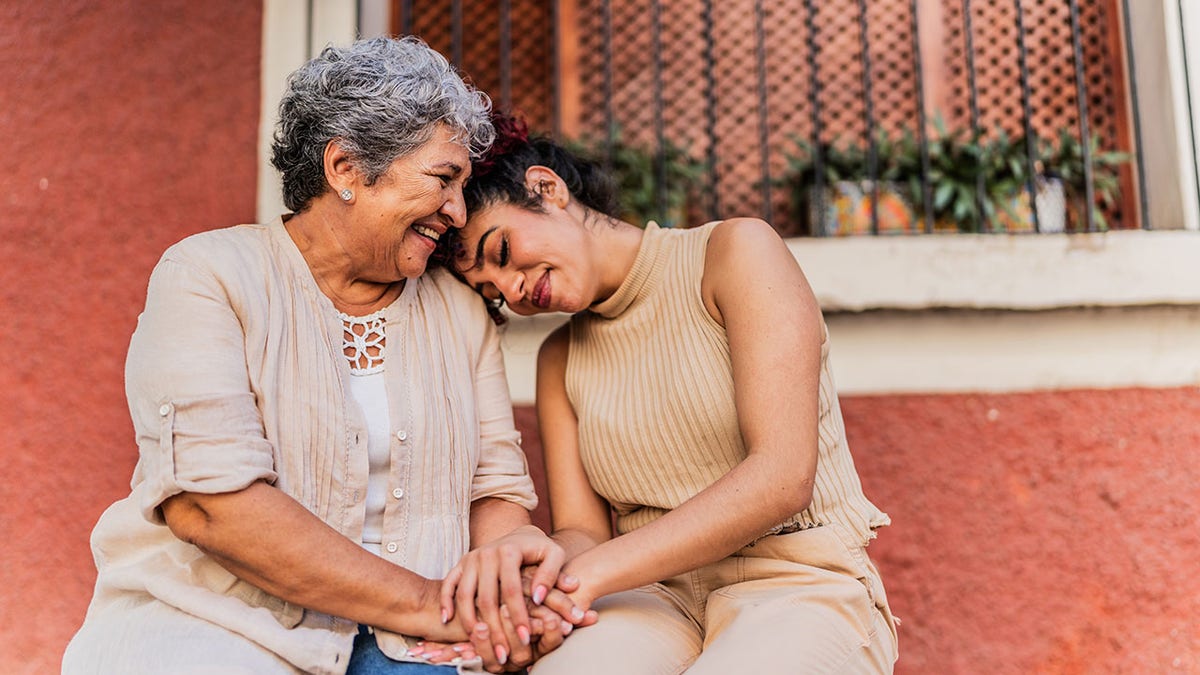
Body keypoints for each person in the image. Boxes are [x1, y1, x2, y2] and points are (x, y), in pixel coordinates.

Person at [62, 39, 587, 675]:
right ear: (345, 168)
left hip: (421, 643)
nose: (457, 211)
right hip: (219, 625)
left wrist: (508, 587)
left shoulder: (455, 307)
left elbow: (494, 491)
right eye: (444, 179)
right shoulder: (209, 275)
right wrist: (429, 604)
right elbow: (210, 504)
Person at [438, 114, 900, 673]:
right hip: (651, 597)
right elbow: (584, 531)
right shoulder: (558, 360)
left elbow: (782, 477)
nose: (511, 289)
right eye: (489, 289)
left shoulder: (733, 254)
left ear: (546, 189)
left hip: (799, 583)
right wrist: (539, 590)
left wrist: (585, 578)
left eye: (503, 251)